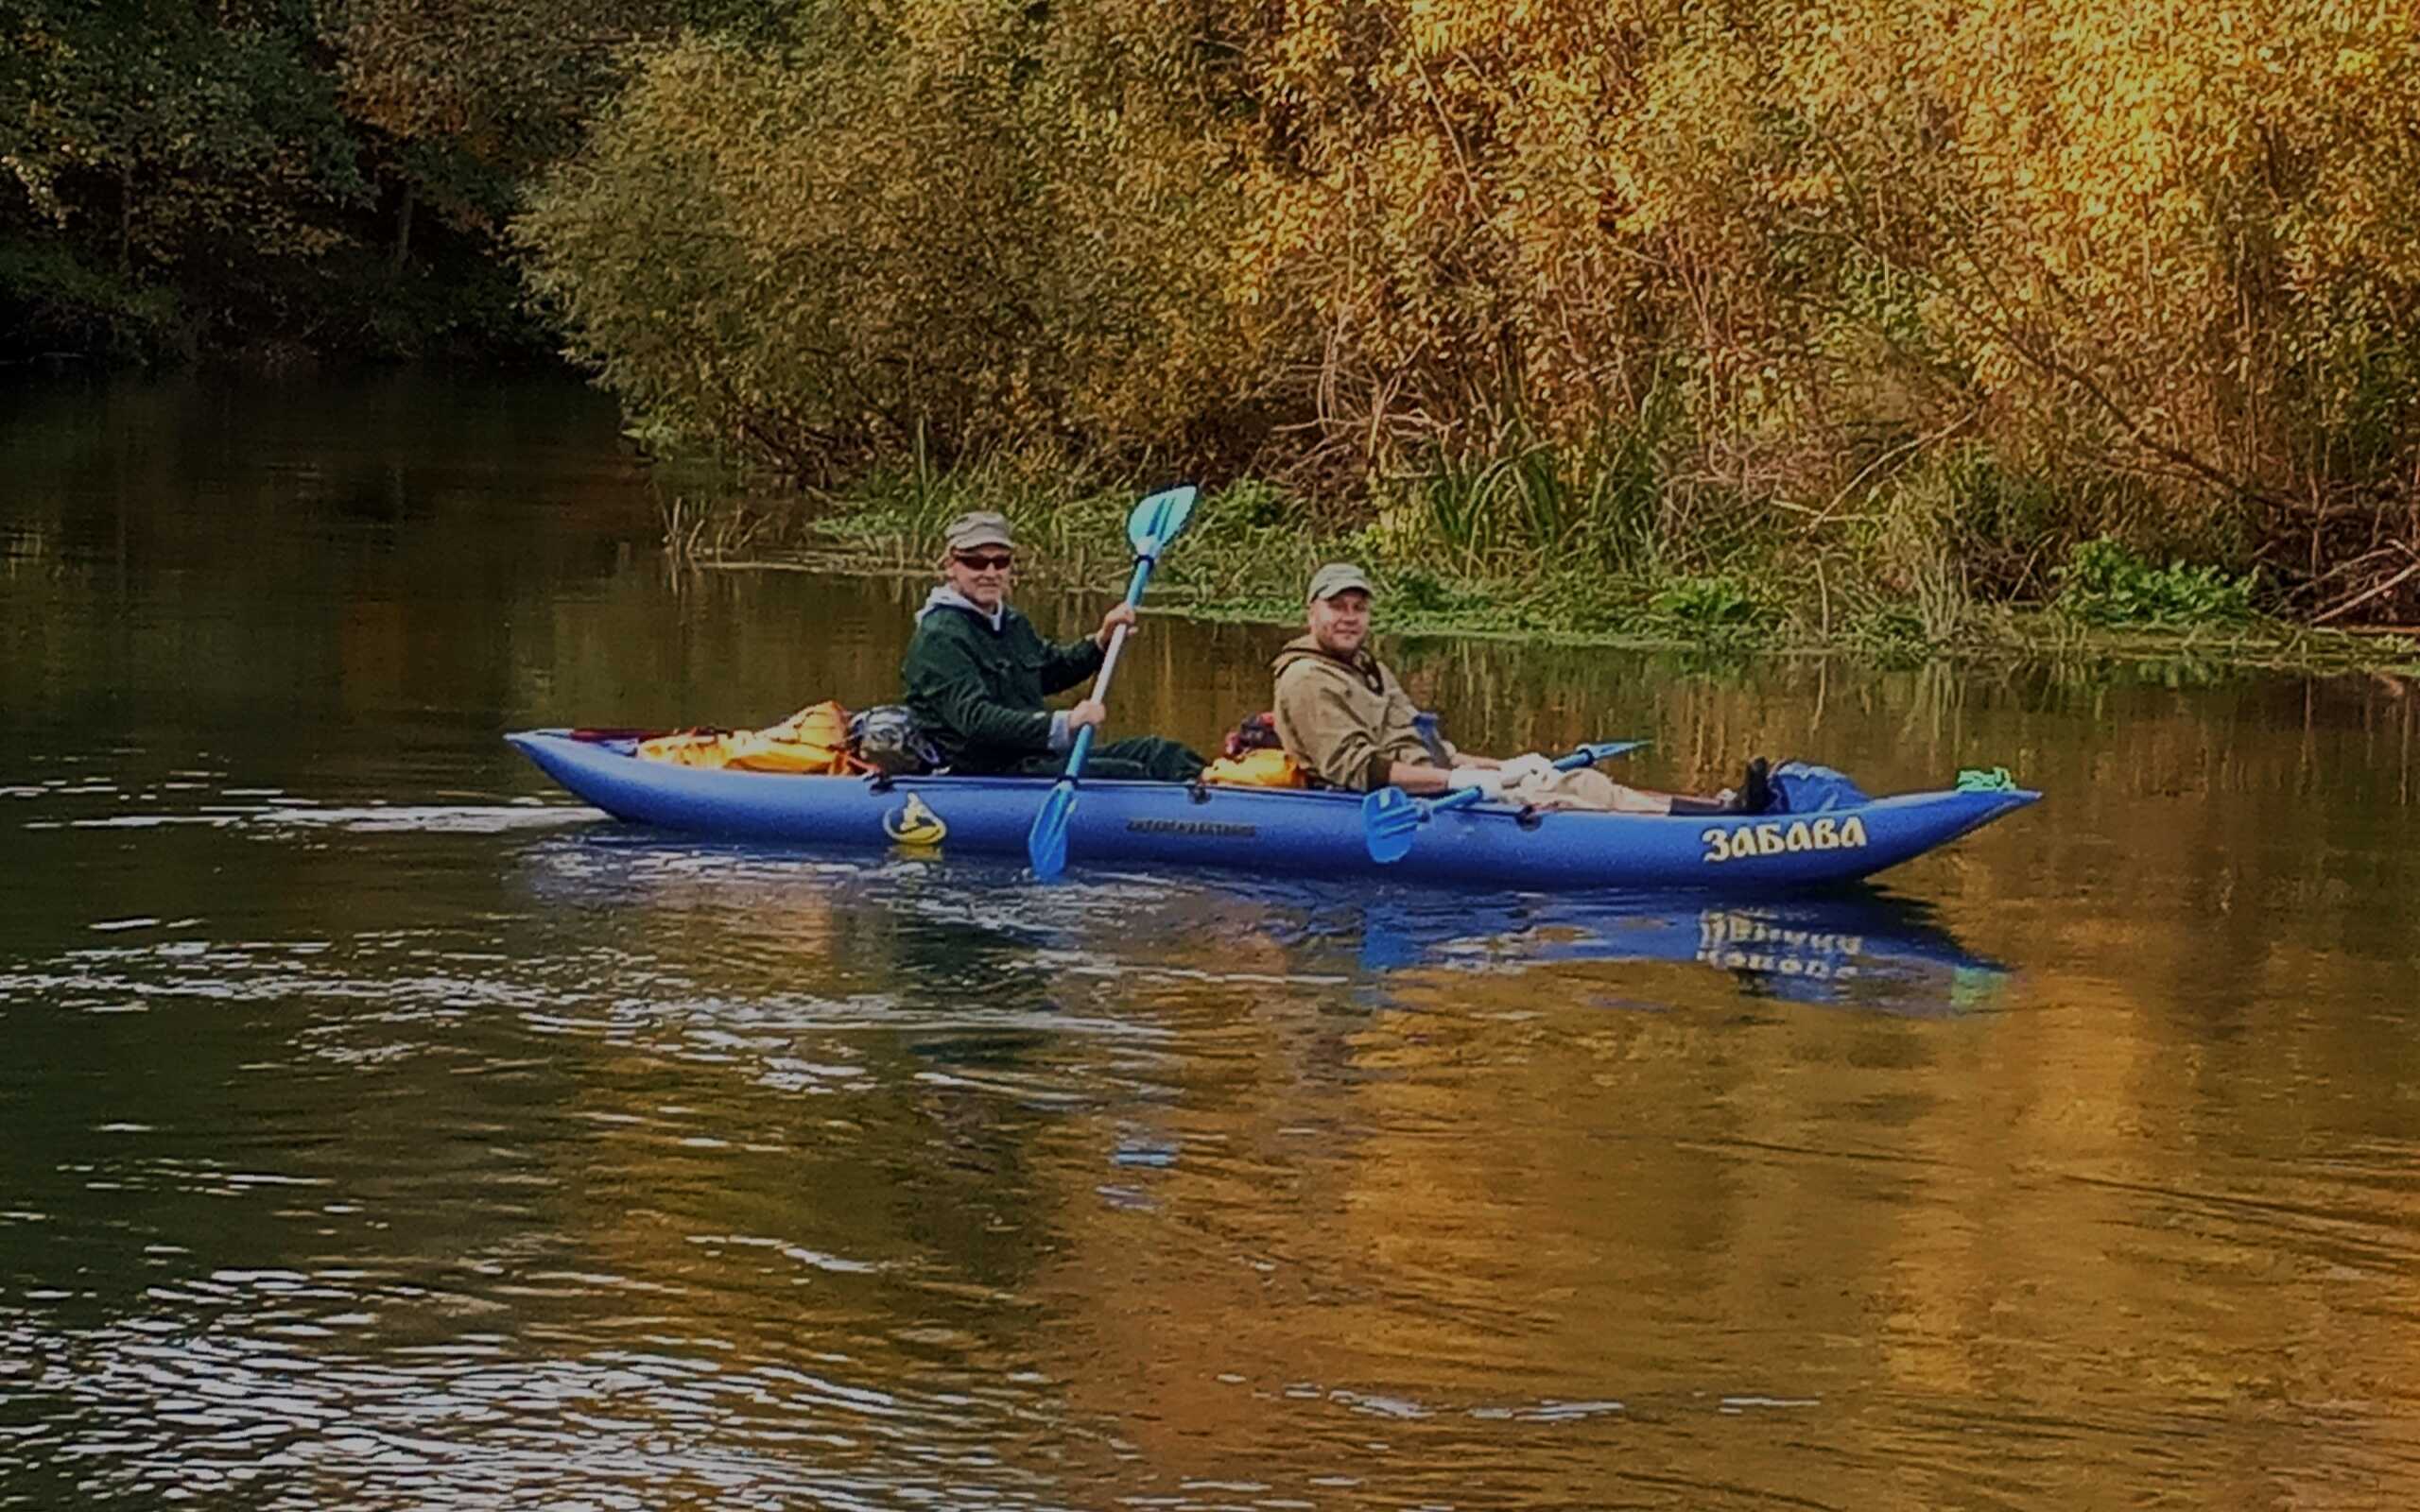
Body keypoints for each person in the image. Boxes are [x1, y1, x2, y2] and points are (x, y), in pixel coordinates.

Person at [1270, 562, 1777, 814]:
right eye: (1338, 608)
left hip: (1437, 784)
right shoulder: (1308, 680)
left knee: (1573, 781)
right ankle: (1716, 823)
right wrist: (1459, 785)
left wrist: (1506, 766)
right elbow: (1363, 771)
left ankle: (1717, 810)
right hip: (1392, 803)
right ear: (1312, 612)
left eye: (1359, 608)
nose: (1350, 619)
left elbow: (1431, 749)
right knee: (1573, 795)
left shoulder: (1367, 668)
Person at [902, 510, 1206, 782]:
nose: (990, 573)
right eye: (976, 562)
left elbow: (1051, 670)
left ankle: (1224, 789)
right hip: (984, 774)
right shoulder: (939, 637)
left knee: (1159, 754)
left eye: (1001, 562)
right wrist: (1065, 722)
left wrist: (1101, 641)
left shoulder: (1011, 623)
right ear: (950, 566)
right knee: (1130, 774)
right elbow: (976, 721)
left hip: (1033, 760)